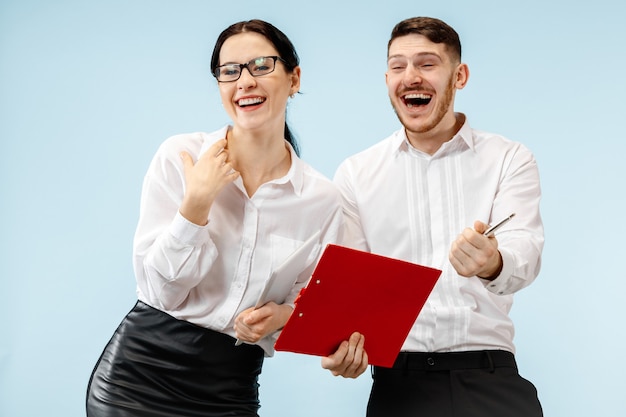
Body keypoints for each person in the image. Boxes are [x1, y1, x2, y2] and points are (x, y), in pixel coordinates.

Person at [86, 19, 343, 417]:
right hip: (138, 378)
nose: (245, 81)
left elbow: (306, 307)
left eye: (261, 65)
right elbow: (160, 293)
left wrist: (280, 318)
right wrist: (196, 205)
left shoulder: (321, 199)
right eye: (230, 71)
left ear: (294, 79)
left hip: (230, 388)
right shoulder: (180, 156)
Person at [322, 16, 544, 417]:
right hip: (397, 386)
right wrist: (343, 349)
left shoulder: (509, 158)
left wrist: (492, 262)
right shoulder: (356, 173)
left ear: (459, 76)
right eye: (397, 66)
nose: (410, 77)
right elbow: (352, 291)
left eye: (427, 64)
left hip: (489, 378)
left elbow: (525, 253)